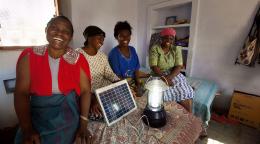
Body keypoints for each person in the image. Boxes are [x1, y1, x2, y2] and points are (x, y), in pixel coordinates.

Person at [14, 16, 92, 144]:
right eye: (54, 28)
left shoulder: (78, 59)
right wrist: (27, 129)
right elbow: (21, 93)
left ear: (71, 37)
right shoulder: (29, 56)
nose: (60, 33)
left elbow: (85, 91)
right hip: (38, 114)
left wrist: (83, 124)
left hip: (68, 113)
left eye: (66, 31)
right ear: (46, 30)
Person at [76, 25, 120, 119]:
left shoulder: (102, 56)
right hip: (87, 92)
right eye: (99, 38)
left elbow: (109, 73)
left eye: (103, 39)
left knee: (119, 102)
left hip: (101, 90)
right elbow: (77, 82)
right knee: (98, 113)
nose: (102, 42)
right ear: (88, 38)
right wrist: (93, 98)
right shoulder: (77, 55)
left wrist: (119, 82)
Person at [149, 27, 194, 112]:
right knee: (163, 94)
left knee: (185, 91)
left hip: (173, 73)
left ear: (173, 39)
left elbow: (179, 66)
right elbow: (154, 66)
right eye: (166, 37)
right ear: (162, 38)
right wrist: (164, 78)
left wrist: (169, 78)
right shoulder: (155, 49)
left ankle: (190, 117)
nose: (168, 40)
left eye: (171, 38)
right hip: (158, 74)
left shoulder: (176, 49)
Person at [108, 21, 148, 96]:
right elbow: (117, 77)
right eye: (121, 36)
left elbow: (136, 70)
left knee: (150, 85)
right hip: (120, 81)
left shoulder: (132, 49)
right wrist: (128, 88)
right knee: (129, 95)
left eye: (128, 35)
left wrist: (138, 85)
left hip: (133, 79)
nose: (125, 38)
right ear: (116, 37)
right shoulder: (113, 54)